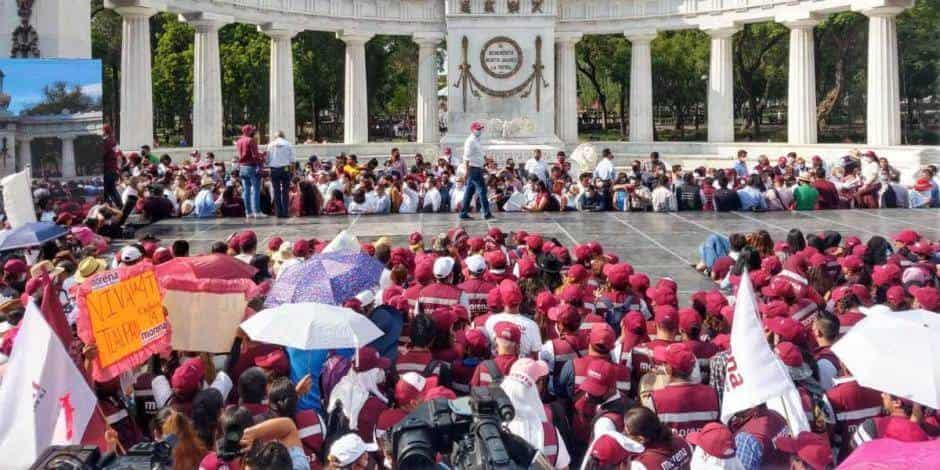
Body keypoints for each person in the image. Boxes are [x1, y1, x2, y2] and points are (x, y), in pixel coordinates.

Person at [460, 122, 493, 220]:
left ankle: (463, 213)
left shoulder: (477, 140)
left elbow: (481, 154)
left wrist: (487, 160)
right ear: (472, 130)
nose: (479, 131)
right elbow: (466, 157)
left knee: (469, 192)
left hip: (478, 168)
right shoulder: (470, 141)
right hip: (473, 168)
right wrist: (466, 171)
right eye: (477, 129)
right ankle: (486, 213)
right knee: (482, 190)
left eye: (480, 129)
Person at [267, 130, 295, 218]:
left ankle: (279, 212)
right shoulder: (288, 144)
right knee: (285, 191)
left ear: (275, 136)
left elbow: (267, 159)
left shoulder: (270, 145)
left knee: (276, 191)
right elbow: (292, 159)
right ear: (283, 136)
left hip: (274, 169)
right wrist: (292, 171)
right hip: (285, 168)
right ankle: (285, 212)